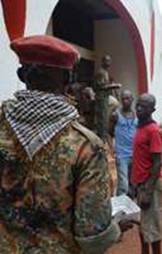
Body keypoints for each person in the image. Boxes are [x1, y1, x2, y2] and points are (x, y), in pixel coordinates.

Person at [0, 35, 129, 253]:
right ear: (69, 79)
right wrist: (115, 228)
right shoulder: (86, 146)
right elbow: (92, 235)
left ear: (22, 75)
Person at [131, 94, 162, 254]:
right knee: (143, 225)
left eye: (143, 106)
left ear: (152, 110)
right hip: (140, 183)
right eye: (138, 105)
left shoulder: (153, 130)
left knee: (153, 227)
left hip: (150, 184)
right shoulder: (140, 126)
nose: (138, 109)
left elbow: (157, 162)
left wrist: (148, 191)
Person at [109, 89, 138, 197]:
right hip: (122, 155)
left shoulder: (137, 115)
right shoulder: (115, 115)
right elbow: (110, 131)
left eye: (128, 98)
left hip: (135, 154)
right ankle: (120, 207)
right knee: (123, 184)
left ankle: (130, 209)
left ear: (132, 99)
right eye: (123, 99)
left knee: (132, 184)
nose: (125, 101)